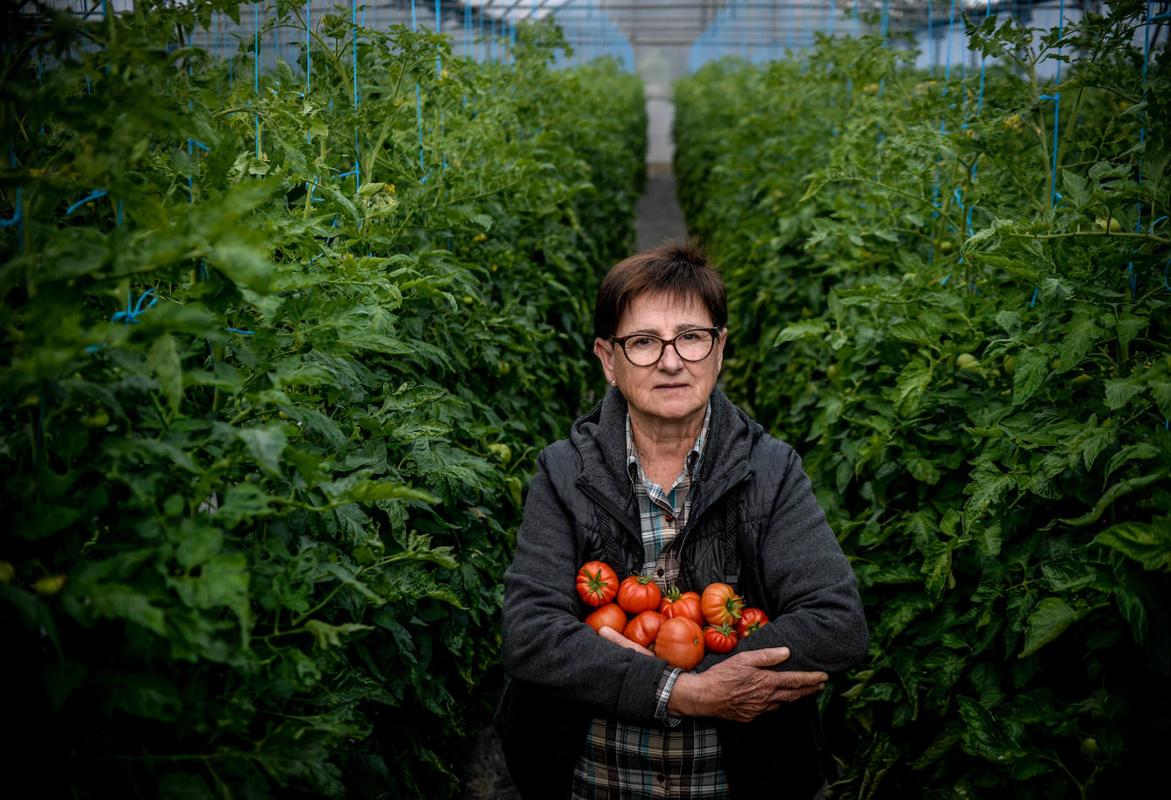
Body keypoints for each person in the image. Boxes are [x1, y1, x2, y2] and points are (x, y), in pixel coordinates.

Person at [495, 242, 869, 799]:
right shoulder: (564, 472)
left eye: (691, 337)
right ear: (607, 360)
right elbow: (529, 633)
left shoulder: (770, 470)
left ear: (720, 350)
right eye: (643, 342)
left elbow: (837, 623)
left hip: (740, 782)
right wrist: (686, 691)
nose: (672, 361)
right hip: (590, 781)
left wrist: (679, 666)